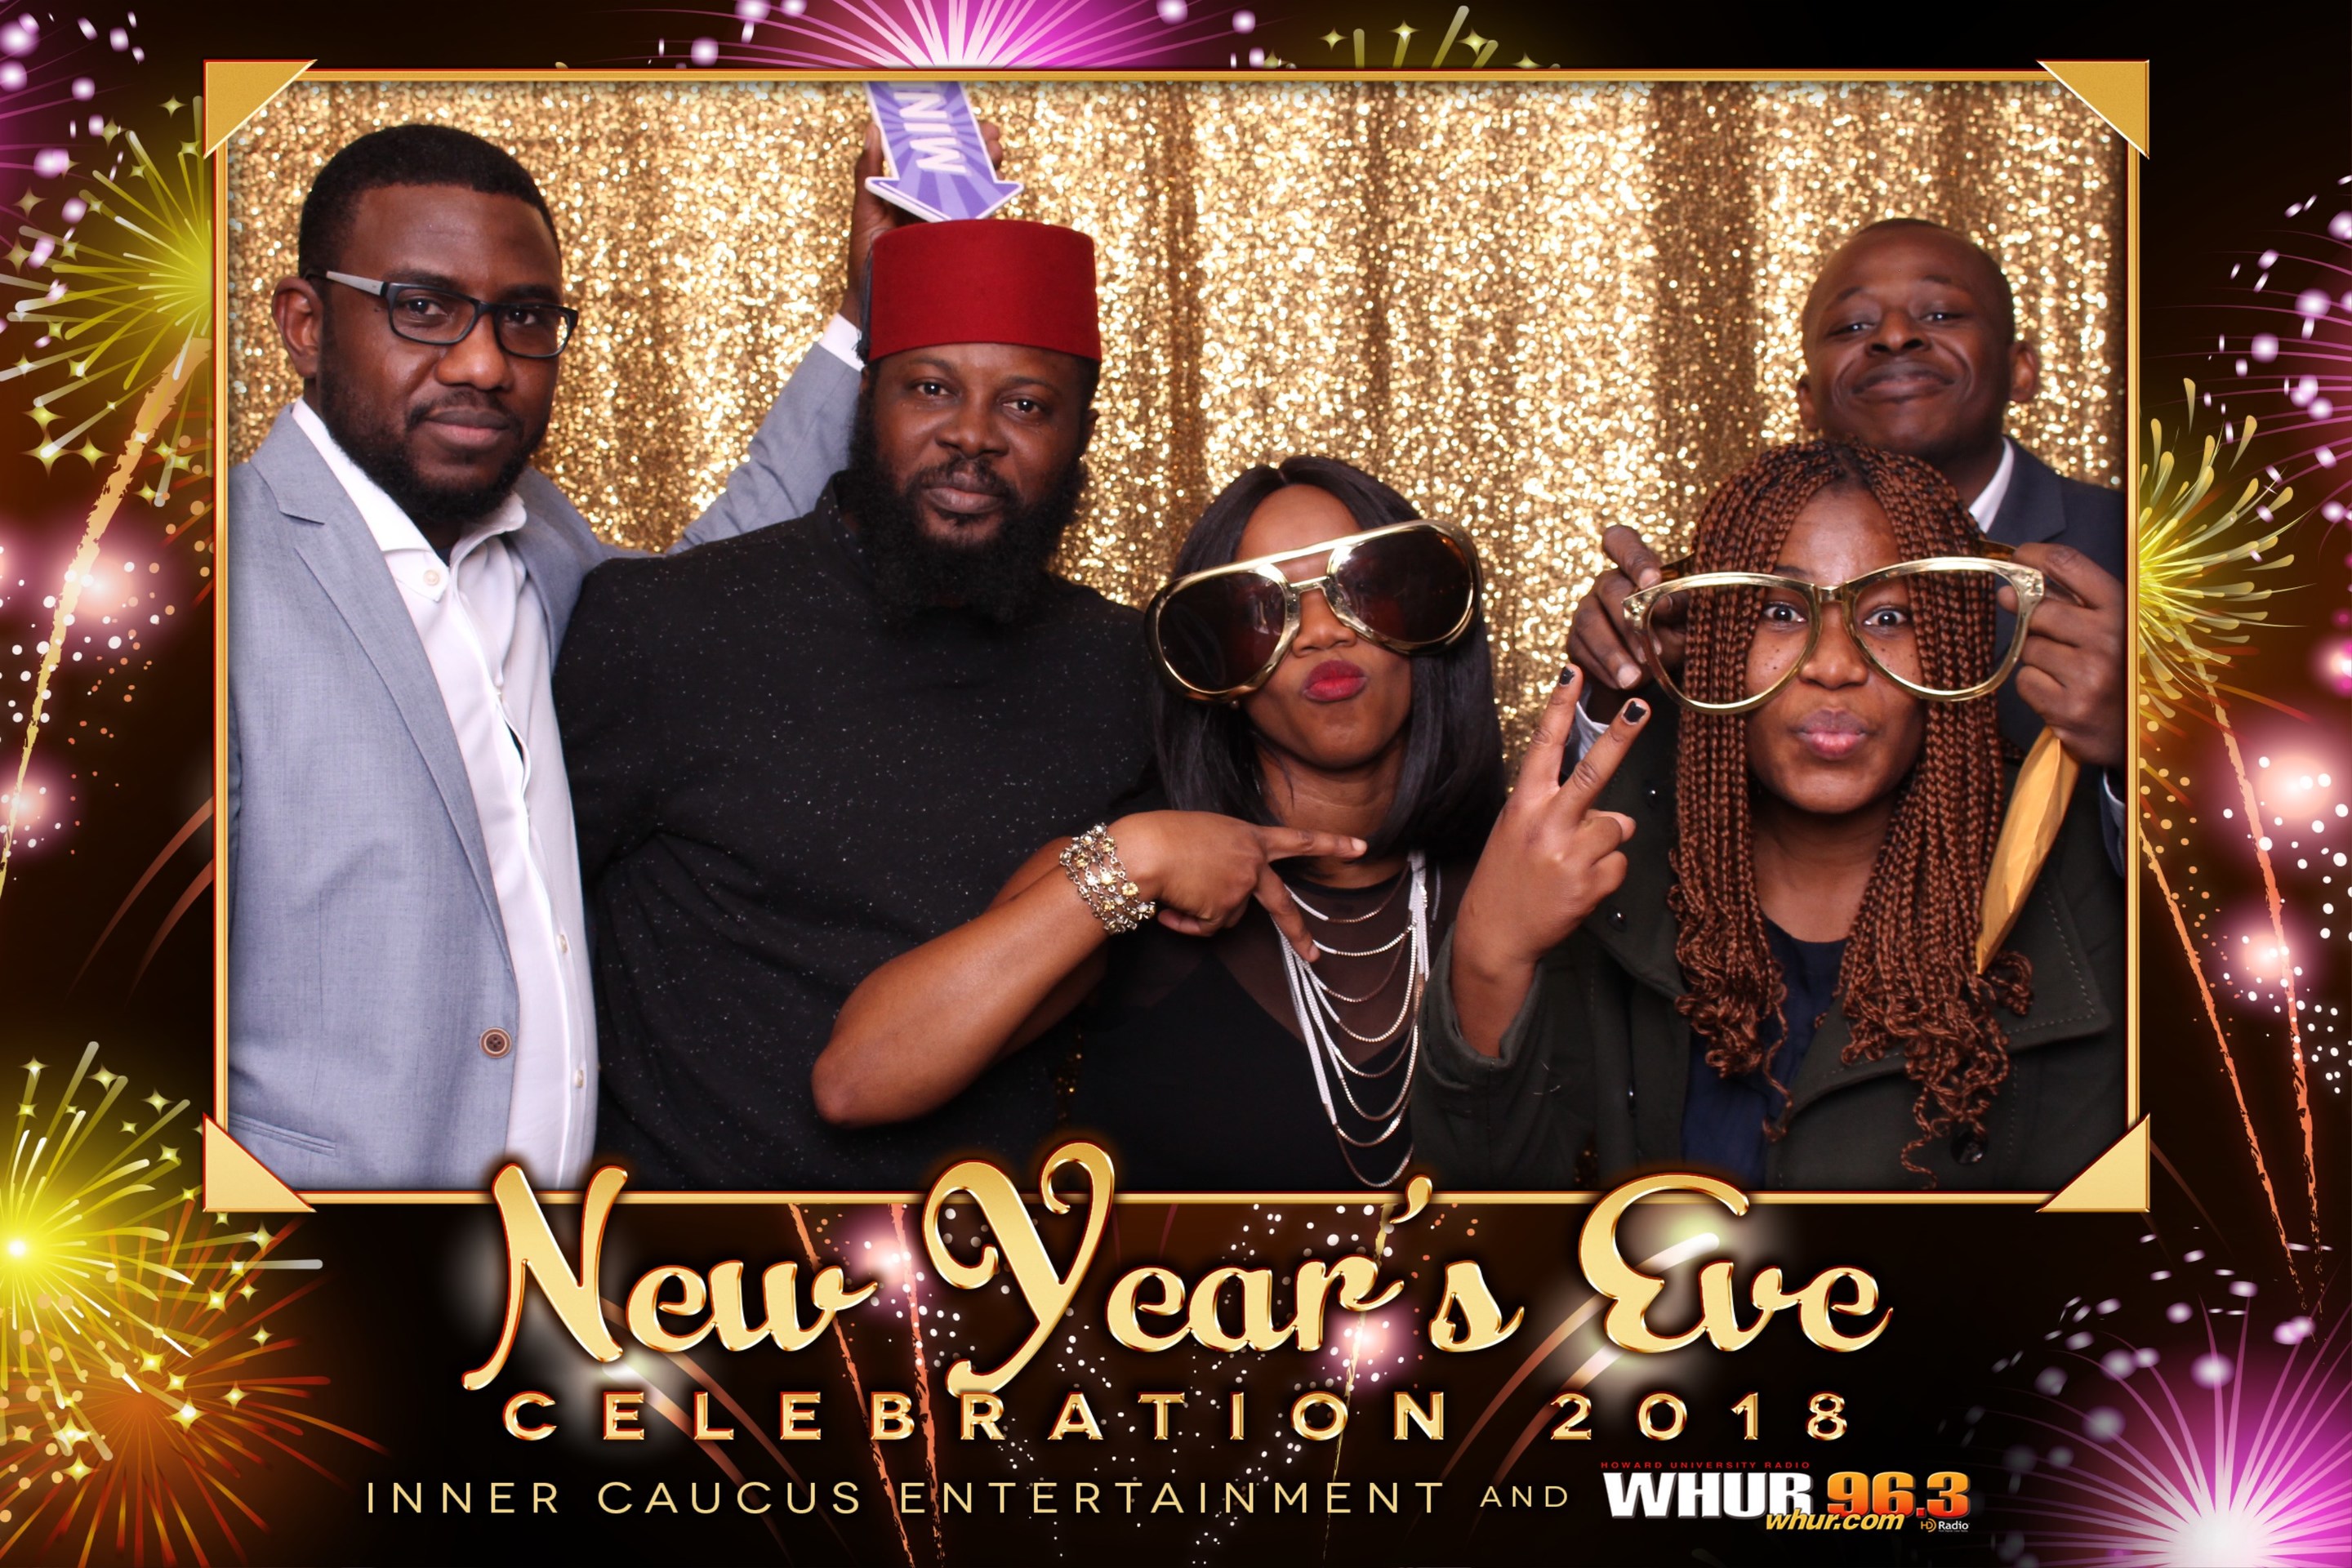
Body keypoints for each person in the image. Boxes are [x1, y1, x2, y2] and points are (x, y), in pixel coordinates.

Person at [225, 122, 871, 1191]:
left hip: (559, 1254)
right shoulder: (208, 582)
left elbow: (707, 597)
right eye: (422, 307)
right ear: (304, 322)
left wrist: (862, 317)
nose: (484, 364)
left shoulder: (541, 538)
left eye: (524, 318)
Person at [556, 216, 1165, 1190]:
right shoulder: (664, 625)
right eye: (930, 389)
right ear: (865, 402)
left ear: (1081, 438)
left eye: (1026, 404)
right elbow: (513, 933)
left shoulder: (1122, 669)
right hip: (679, 1257)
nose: (972, 435)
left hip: (985, 1257)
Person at [1418, 441, 2125, 1192]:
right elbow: (1489, 1216)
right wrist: (1490, 954)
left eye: (1890, 617)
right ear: (1714, 643)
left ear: (1955, 646)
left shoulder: (2079, 884)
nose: (1834, 664)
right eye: (1781, 612)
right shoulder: (1613, 879)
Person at [810, 457, 1506, 1189]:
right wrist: (1134, 860)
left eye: (1363, 590)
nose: (1322, 632)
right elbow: (855, 1083)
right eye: (1262, 613)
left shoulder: (1522, 876)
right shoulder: (1129, 872)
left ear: (1428, 613)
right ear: (1214, 667)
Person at [1565, 218, 2128, 862]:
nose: (1894, 335)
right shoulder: (1727, 571)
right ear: (1807, 401)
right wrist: (1612, 688)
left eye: (1941, 314)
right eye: (1853, 326)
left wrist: (2155, 745)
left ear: (2021, 371)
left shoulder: (2145, 559)